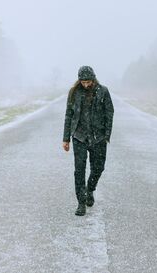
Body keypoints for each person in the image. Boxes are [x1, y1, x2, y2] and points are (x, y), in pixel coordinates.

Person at [62, 66, 114, 216]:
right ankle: (81, 202)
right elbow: (68, 115)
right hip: (79, 136)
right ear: (79, 81)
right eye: (83, 82)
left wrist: (107, 135)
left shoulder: (103, 91)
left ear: (93, 79)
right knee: (79, 170)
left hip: (98, 137)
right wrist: (66, 138)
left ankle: (90, 189)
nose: (86, 85)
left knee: (99, 167)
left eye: (88, 81)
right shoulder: (74, 93)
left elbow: (109, 112)